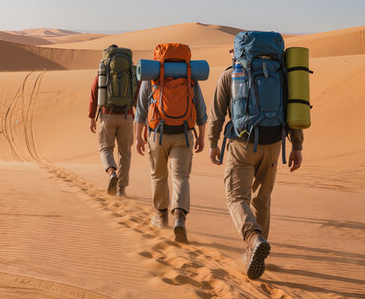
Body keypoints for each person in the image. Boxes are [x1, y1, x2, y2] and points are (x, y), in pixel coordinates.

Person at [208, 43, 304, 279]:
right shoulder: (281, 74)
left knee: (236, 198)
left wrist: (212, 143)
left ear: (237, 52)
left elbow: (217, 114)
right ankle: (256, 250)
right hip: (274, 145)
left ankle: (253, 239)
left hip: (242, 144)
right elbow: (294, 109)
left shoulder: (230, 74)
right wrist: (297, 146)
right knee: (262, 199)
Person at [133, 43, 207, 243]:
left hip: (157, 134)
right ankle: (180, 218)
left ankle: (161, 215)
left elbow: (140, 110)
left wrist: (138, 137)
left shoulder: (153, 76)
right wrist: (201, 136)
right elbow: (201, 109)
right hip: (183, 133)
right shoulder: (190, 77)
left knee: (158, 175)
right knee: (181, 177)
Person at [89, 45, 138, 197]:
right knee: (125, 153)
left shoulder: (103, 72)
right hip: (127, 115)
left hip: (107, 115)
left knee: (105, 148)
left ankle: (111, 172)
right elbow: (137, 94)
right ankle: (121, 189)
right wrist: (139, 116)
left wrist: (92, 117)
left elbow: (94, 94)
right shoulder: (131, 72)